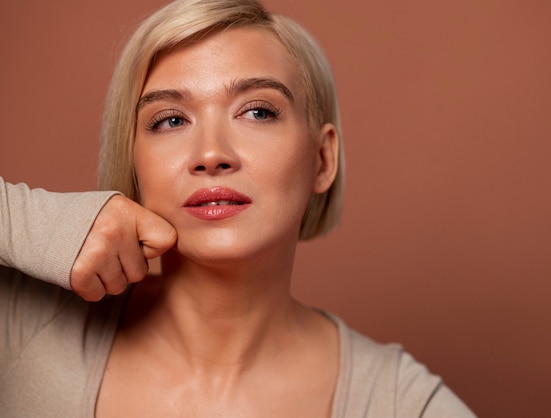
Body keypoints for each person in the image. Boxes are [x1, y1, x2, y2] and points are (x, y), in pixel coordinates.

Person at [0, 0, 475, 416]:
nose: (211, 154)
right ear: (135, 164)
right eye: (170, 120)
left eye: (257, 111)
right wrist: (45, 229)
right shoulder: (27, 324)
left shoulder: (396, 402)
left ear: (323, 160)